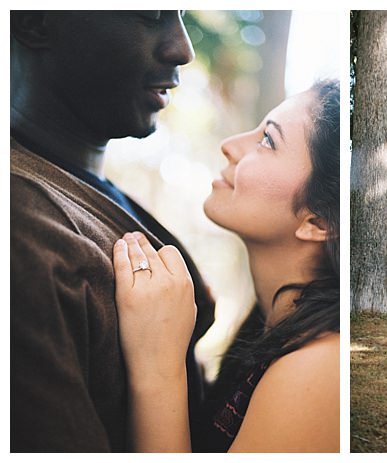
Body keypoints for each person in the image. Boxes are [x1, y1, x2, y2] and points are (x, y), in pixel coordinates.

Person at [10, 11, 214, 452]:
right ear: (33, 21)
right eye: (150, 13)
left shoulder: (72, 186)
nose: (182, 48)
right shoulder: (21, 234)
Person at [112, 80, 340, 452]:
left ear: (319, 223)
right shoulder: (270, 326)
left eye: (268, 140)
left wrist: (158, 366)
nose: (230, 145)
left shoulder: (318, 369)